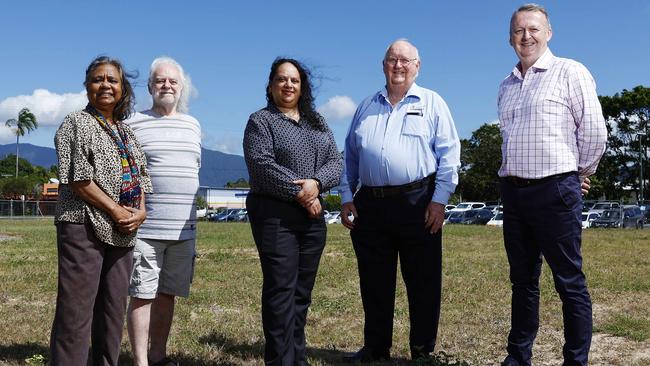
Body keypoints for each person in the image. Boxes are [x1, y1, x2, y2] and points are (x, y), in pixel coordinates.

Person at [497, 4, 607, 366]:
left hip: (555, 190)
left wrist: (578, 175)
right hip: (513, 193)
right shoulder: (506, 85)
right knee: (522, 282)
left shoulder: (569, 71)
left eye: (533, 29)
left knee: (569, 282)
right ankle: (518, 357)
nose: (525, 36)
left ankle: (575, 360)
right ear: (510, 37)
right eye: (518, 31)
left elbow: (593, 132)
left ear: (548, 33)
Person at [340, 39, 461, 362]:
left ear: (417, 66)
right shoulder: (366, 106)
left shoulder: (433, 103)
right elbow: (350, 156)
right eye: (392, 60)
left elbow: (449, 156)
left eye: (405, 60)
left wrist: (439, 201)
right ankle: (376, 347)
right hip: (371, 205)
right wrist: (346, 196)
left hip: (419, 203)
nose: (398, 65)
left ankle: (422, 351)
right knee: (374, 281)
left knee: (423, 281)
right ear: (383, 65)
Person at [50, 56, 152, 366]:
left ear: (123, 89)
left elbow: (141, 179)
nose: (105, 85)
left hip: (122, 232)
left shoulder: (126, 132)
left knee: (112, 309)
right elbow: (79, 179)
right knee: (77, 310)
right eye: (98, 79)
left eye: (113, 80)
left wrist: (140, 213)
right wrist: (116, 210)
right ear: (87, 86)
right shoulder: (76, 122)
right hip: (83, 224)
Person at [243, 57, 343, 365]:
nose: (288, 85)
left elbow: (336, 163)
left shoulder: (318, 122)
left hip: (312, 219)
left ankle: (297, 359)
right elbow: (262, 166)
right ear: (271, 86)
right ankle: (280, 361)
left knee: (301, 294)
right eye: (282, 79)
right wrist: (303, 193)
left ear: (302, 87)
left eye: (294, 80)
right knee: (280, 291)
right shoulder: (261, 121)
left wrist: (316, 183)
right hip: (275, 216)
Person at [125, 57, 201, 366]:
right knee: (142, 293)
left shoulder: (193, 124)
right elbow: (126, 174)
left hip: (184, 230)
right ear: (150, 87)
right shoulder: (133, 123)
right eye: (160, 81)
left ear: (182, 87)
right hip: (146, 228)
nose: (166, 85)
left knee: (167, 294)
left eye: (172, 81)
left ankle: (159, 356)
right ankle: (141, 361)